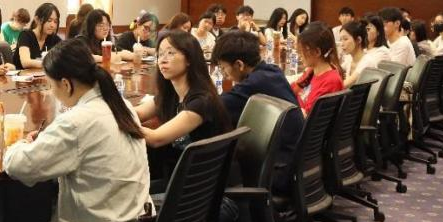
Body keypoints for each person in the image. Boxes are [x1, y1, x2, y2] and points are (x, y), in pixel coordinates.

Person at [4, 39, 150, 222]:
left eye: (51, 86)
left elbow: (19, 166)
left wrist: (21, 144)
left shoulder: (77, 121)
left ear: (66, 84)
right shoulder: (123, 107)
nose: (52, 92)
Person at [211, 30, 304, 192]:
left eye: (223, 68)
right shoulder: (272, 71)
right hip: (296, 163)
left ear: (239, 65)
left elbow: (214, 108)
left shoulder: (253, 84)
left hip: (278, 171)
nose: (224, 74)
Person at [135, 30, 230, 184]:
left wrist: (120, 122)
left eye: (170, 53)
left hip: (198, 185)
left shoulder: (201, 102)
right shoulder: (171, 94)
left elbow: (156, 138)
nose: (162, 60)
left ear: (189, 59)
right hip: (178, 174)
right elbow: (138, 113)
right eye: (160, 54)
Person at [291, 22, 344, 116]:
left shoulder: (331, 81)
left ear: (317, 52)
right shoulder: (312, 70)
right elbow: (292, 89)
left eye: (303, 50)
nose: (300, 55)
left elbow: (308, 117)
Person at [13, 3, 62, 69]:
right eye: (49, 20)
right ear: (37, 19)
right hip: (21, 74)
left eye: (55, 22)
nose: (52, 25)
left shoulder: (55, 39)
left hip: (43, 74)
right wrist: (50, 64)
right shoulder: (25, 35)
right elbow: (25, 62)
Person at [340, 20, 381, 88]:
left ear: (358, 40)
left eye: (345, 39)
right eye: (340, 40)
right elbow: (336, 70)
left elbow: (344, 85)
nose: (342, 44)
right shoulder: (349, 58)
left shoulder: (367, 62)